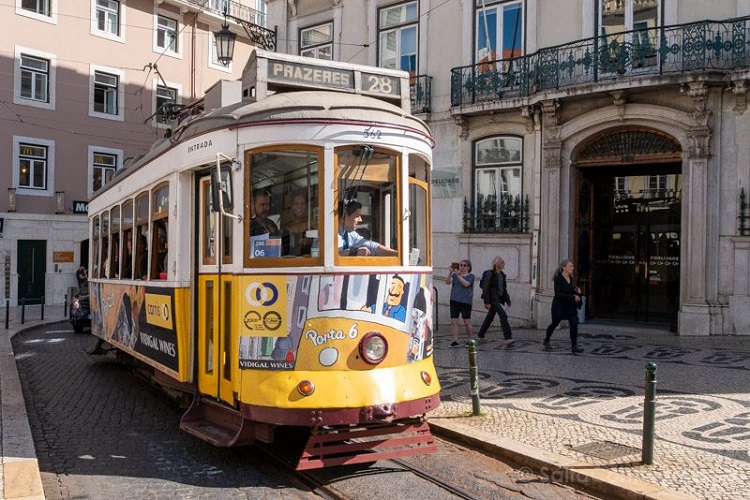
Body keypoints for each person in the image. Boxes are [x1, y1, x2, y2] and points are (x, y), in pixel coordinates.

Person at [543, 259, 584, 354]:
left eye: (573, 266)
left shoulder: (571, 278)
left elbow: (570, 290)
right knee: (555, 323)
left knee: (574, 323)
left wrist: (577, 292)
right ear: (564, 267)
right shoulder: (558, 278)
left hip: (569, 306)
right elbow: (558, 294)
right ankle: (546, 340)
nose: (572, 268)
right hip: (559, 306)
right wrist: (573, 296)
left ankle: (574, 346)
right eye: (571, 266)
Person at [476, 255, 514, 346]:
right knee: (503, 315)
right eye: (502, 262)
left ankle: (481, 336)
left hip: (498, 299)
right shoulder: (490, 274)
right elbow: (485, 288)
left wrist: (507, 300)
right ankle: (508, 338)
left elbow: (504, 289)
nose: (503, 263)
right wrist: (486, 302)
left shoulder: (502, 275)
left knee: (489, 318)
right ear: (496, 263)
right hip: (493, 299)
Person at [445, 259, 474, 347]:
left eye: (464, 265)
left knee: (466, 321)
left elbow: (466, 284)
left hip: (465, 301)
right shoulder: (455, 275)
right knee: (453, 321)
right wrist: (450, 273)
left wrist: (458, 275)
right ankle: (455, 339)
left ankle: (470, 339)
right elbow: (447, 282)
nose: (462, 267)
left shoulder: (471, 276)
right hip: (454, 300)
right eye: (460, 265)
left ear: (468, 267)